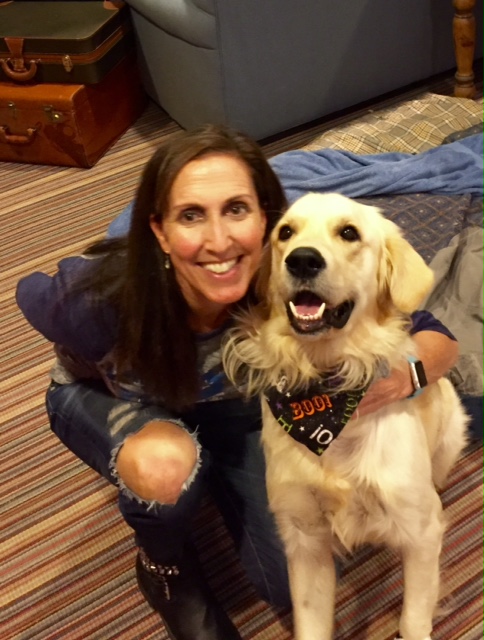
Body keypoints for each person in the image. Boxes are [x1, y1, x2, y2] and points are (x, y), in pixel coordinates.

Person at [16, 125, 459, 640]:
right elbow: (29, 292)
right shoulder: (95, 302)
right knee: (166, 465)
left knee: (281, 582)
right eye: (190, 216)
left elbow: (427, 331)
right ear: (161, 231)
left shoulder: (273, 275)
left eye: (236, 210)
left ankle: (209, 467)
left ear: (264, 222)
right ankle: (167, 570)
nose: (219, 241)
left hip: (227, 410)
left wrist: (402, 380)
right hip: (112, 396)